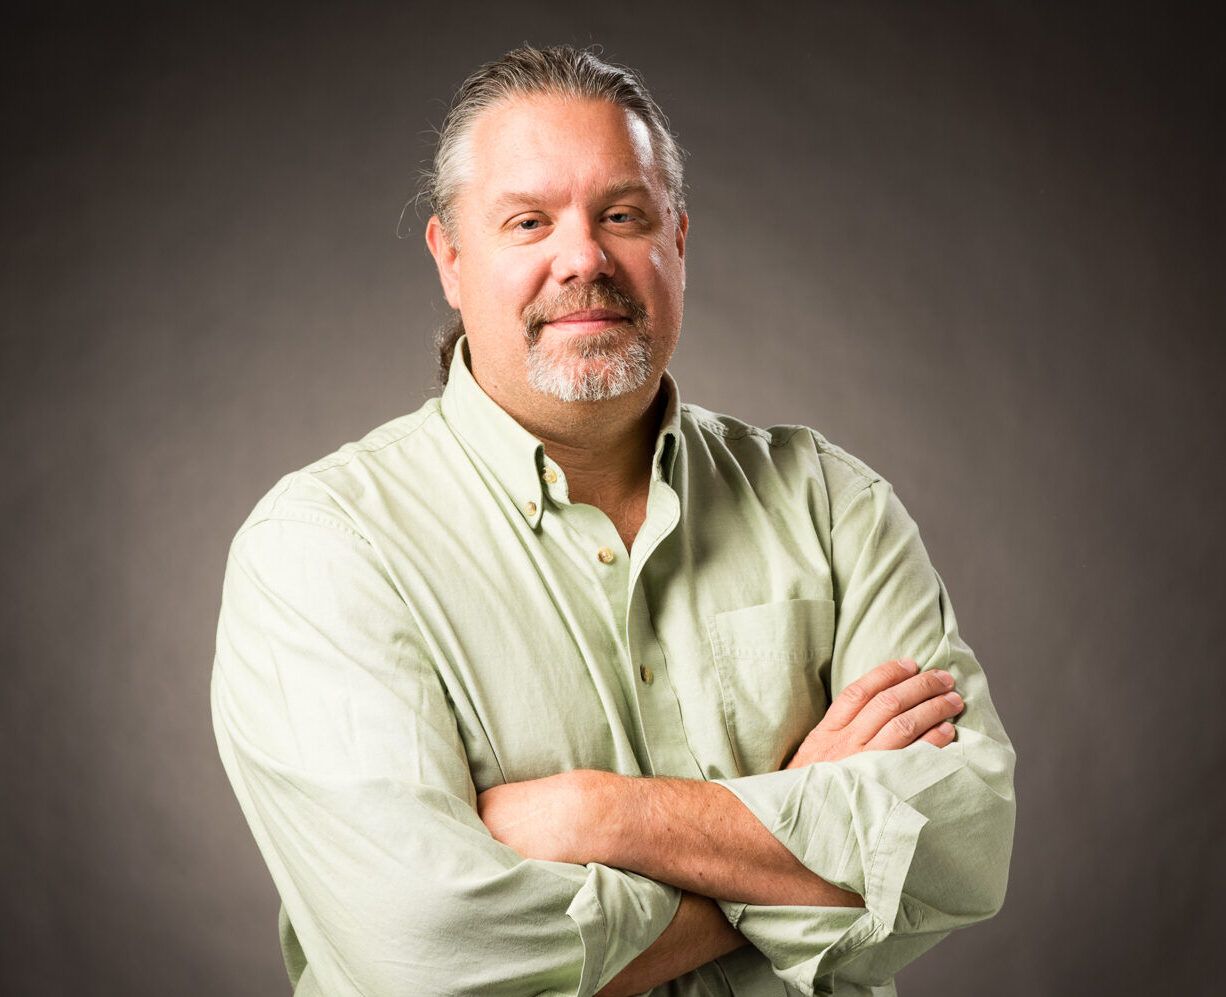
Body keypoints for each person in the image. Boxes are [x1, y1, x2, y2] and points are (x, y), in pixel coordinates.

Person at [211, 44, 1016, 997]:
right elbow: (424, 952)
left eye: (623, 215)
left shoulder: (833, 503)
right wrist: (802, 843)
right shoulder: (321, 548)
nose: (583, 257)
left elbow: (964, 844)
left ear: (678, 238)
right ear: (451, 260)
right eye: (528, 221)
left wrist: (602, 816)